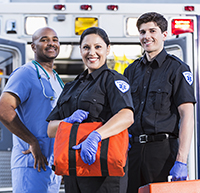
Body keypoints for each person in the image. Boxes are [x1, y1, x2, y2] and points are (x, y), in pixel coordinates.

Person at [47, 27, 134, 193]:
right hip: (74, 171)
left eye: (98, 47)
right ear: (80, 50)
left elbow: (127, 116)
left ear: (108, 49)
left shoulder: (113, 80)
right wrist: (67, 122)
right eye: (86, 47)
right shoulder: (71, 87)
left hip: (104, 171)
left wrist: (96, 136)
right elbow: (51, 129)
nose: (92, 52)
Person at [124, 12, 196, 193]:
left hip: (162, 153)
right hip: (133, 152)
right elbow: (123, 113)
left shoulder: (177, 69)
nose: (146, 36)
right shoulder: (130, 71)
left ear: (164, 35)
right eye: (142, 32)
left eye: (152, 31)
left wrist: (181, 160)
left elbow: (187, 115)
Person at [0, 27, 64, 193]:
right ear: (33, 47)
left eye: (55, 39)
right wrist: (32, 141)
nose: (51, 43)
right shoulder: (26, 73)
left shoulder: (56, 80)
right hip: (31, 163)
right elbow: (3, 108)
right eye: (44, 39)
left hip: (51, 166)